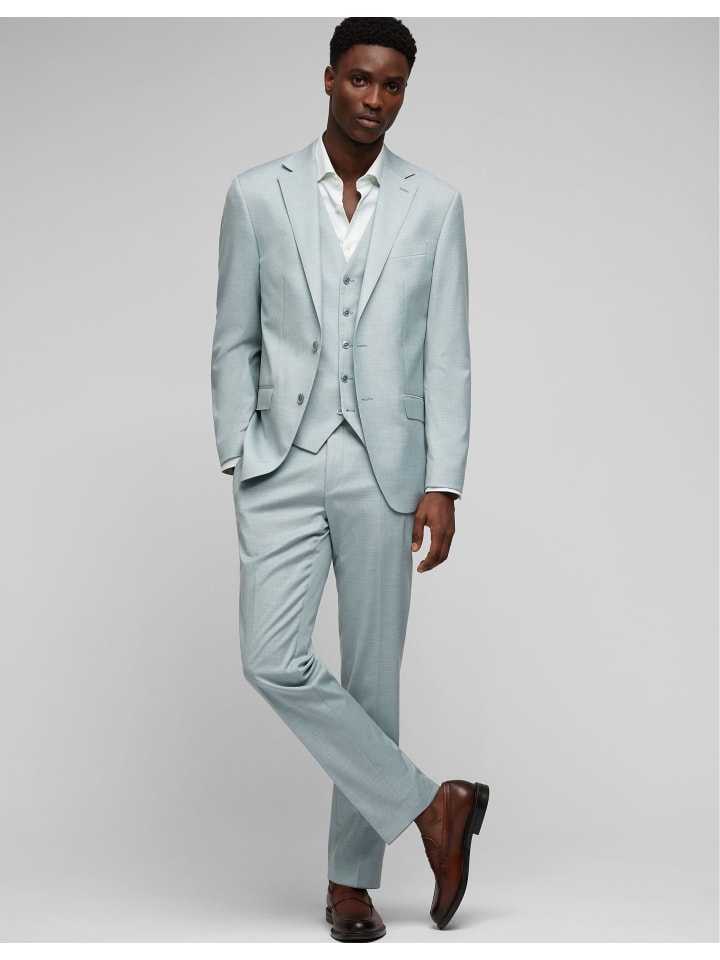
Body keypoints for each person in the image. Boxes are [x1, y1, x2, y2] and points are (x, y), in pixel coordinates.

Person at [211, 16, 489, 942]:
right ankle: (432, 807)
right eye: (361, 79)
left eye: (393, 85)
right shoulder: (257, 193)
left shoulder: (434, 204)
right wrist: (239, 446)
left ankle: (350, 886)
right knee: (271, 657)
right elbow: (234, 335)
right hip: (282, 456)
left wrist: (444, 480)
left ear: (405, 91)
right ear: (329, 78)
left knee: (373, 678)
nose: (376, 99)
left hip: (385, 464)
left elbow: (446, 354)